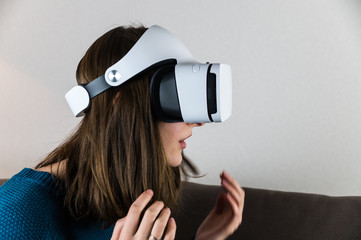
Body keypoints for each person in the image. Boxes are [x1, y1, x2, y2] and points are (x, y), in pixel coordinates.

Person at [0, 25, 244, 239]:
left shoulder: (130, 188)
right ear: (121, 103)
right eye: (177, 97)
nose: (197, 122)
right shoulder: (16, 213)